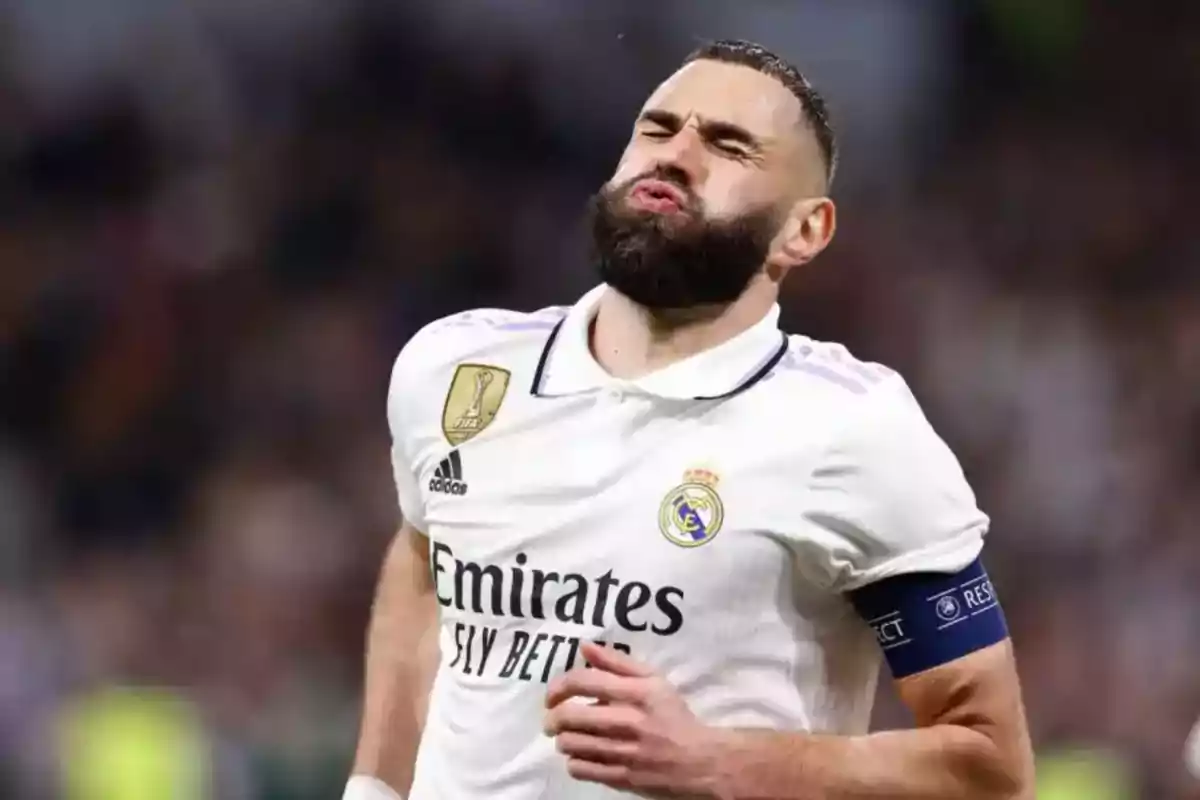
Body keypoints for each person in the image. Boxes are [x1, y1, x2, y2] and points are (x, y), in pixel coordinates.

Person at [344, 39, 1035, 800]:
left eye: (728, 145)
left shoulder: (853, 428)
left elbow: (990, 768)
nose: (676, 155)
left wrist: (720, 760)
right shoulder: (454, 368)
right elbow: (423, 563)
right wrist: (375, 785)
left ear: (805, 230)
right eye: (658, 128)